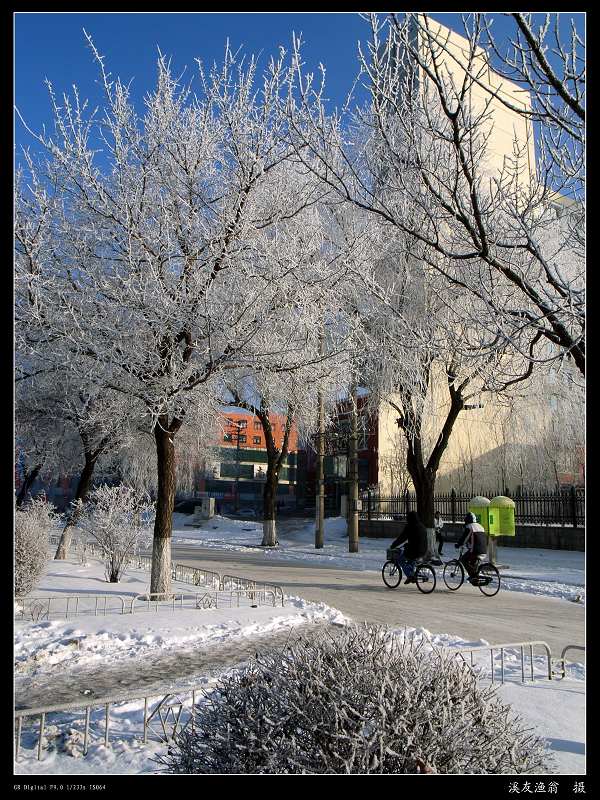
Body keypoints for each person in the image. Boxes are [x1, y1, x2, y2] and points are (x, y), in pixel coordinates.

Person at [390, 510, 428, 584]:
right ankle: (412, 574)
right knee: (411, 560)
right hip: (424, 550)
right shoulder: (421, 525)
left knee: (401, 559)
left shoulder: (410, 526)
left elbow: (402, 538)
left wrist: (393, 545)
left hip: (414, 550)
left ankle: (410, 576)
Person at [455, 512, 487, 582]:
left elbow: (464, 538)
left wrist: (458, 544)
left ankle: (473, 576)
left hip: (475, 550)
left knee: (463, 559)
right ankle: (475, 578)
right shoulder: (480, 526)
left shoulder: (469, 527)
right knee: (472, 563)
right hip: (484, 550)